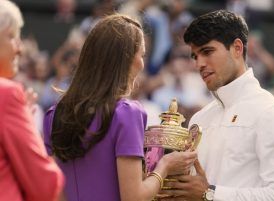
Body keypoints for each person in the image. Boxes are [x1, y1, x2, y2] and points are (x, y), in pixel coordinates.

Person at [43, 14, 197, 201]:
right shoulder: (127, 113)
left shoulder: (54, 114)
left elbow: (55, 193)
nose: (142, 63)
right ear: (126, 59)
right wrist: (164, 166)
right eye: (142, 55)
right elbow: (134, 198)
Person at [160, 10, 274, 201]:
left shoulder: (272, 112)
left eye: (207, 51)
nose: (199, 63)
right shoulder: (199, 118)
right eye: (194, 56)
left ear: (237, 48)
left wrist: (210, 194)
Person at [0, 1, 64, 201]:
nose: (19, 49)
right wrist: (26, 123)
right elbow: (46, 185)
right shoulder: (7, 95)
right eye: (12, 36)